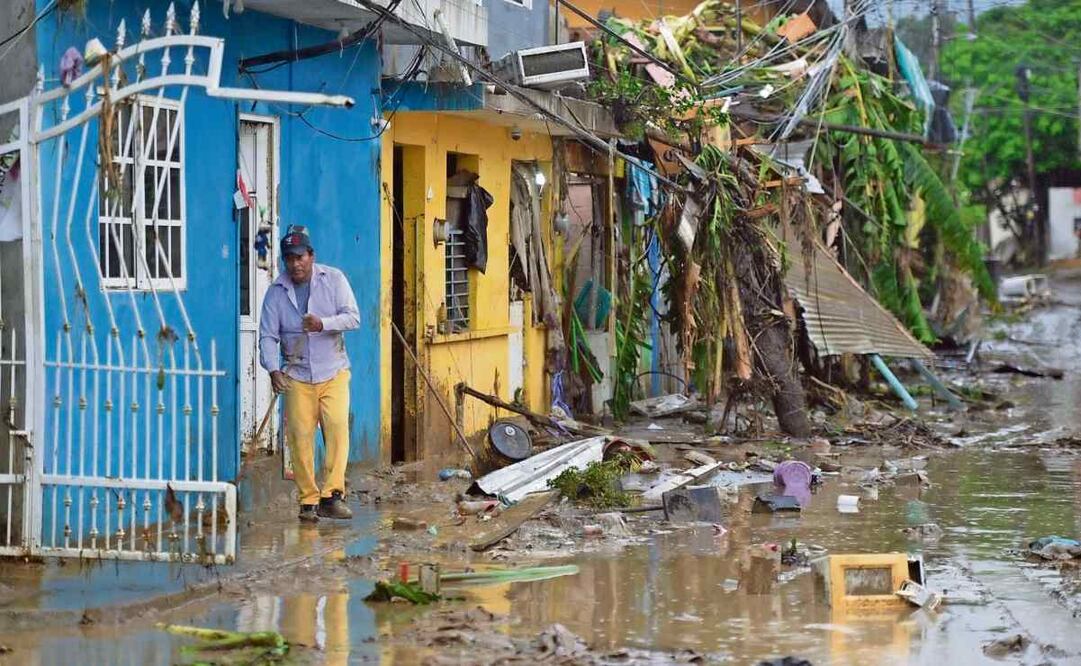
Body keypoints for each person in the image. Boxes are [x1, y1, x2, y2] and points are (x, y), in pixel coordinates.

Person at [259, 226, 359, 522]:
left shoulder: (334, 280)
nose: (295, 264)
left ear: (311, 256)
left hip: (334, 370)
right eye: (289, 258)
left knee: (337, 427)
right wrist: (273, 369)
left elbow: (353, 317)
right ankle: (308, 501)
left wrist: (322, 324)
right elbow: (267, 335)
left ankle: (332, 495)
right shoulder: (276, 293)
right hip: (297, 374)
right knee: (300, 437)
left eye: (300, 257)